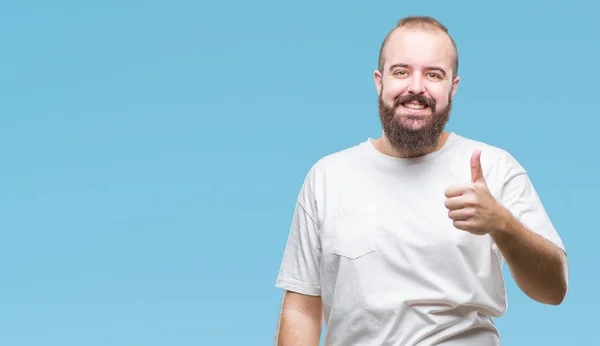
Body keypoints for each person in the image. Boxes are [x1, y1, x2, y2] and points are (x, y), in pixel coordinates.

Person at [273, 16, 568, 346]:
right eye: (401, 72)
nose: (416, 87)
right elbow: (303, 310)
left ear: (452, 87)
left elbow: (553, 289)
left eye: (433, 74)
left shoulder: (494, 168)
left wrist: (502, 223)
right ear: (379, 81)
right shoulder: (327, 178)